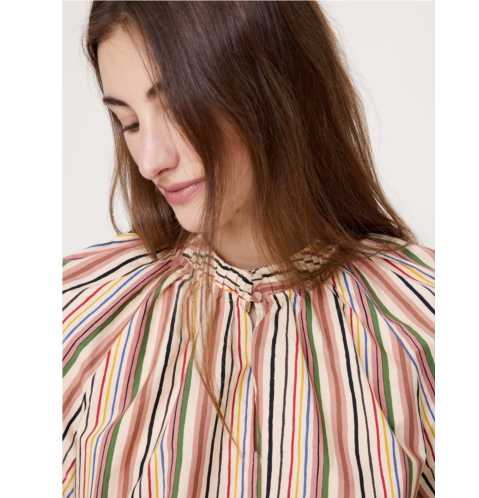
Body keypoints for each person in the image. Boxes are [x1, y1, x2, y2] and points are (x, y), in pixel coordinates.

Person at [62, 1, 435, 497]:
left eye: (177, 107)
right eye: (129, 122)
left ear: (275, 86)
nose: (150, 160)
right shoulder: (77, 314)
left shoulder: (419, 320)